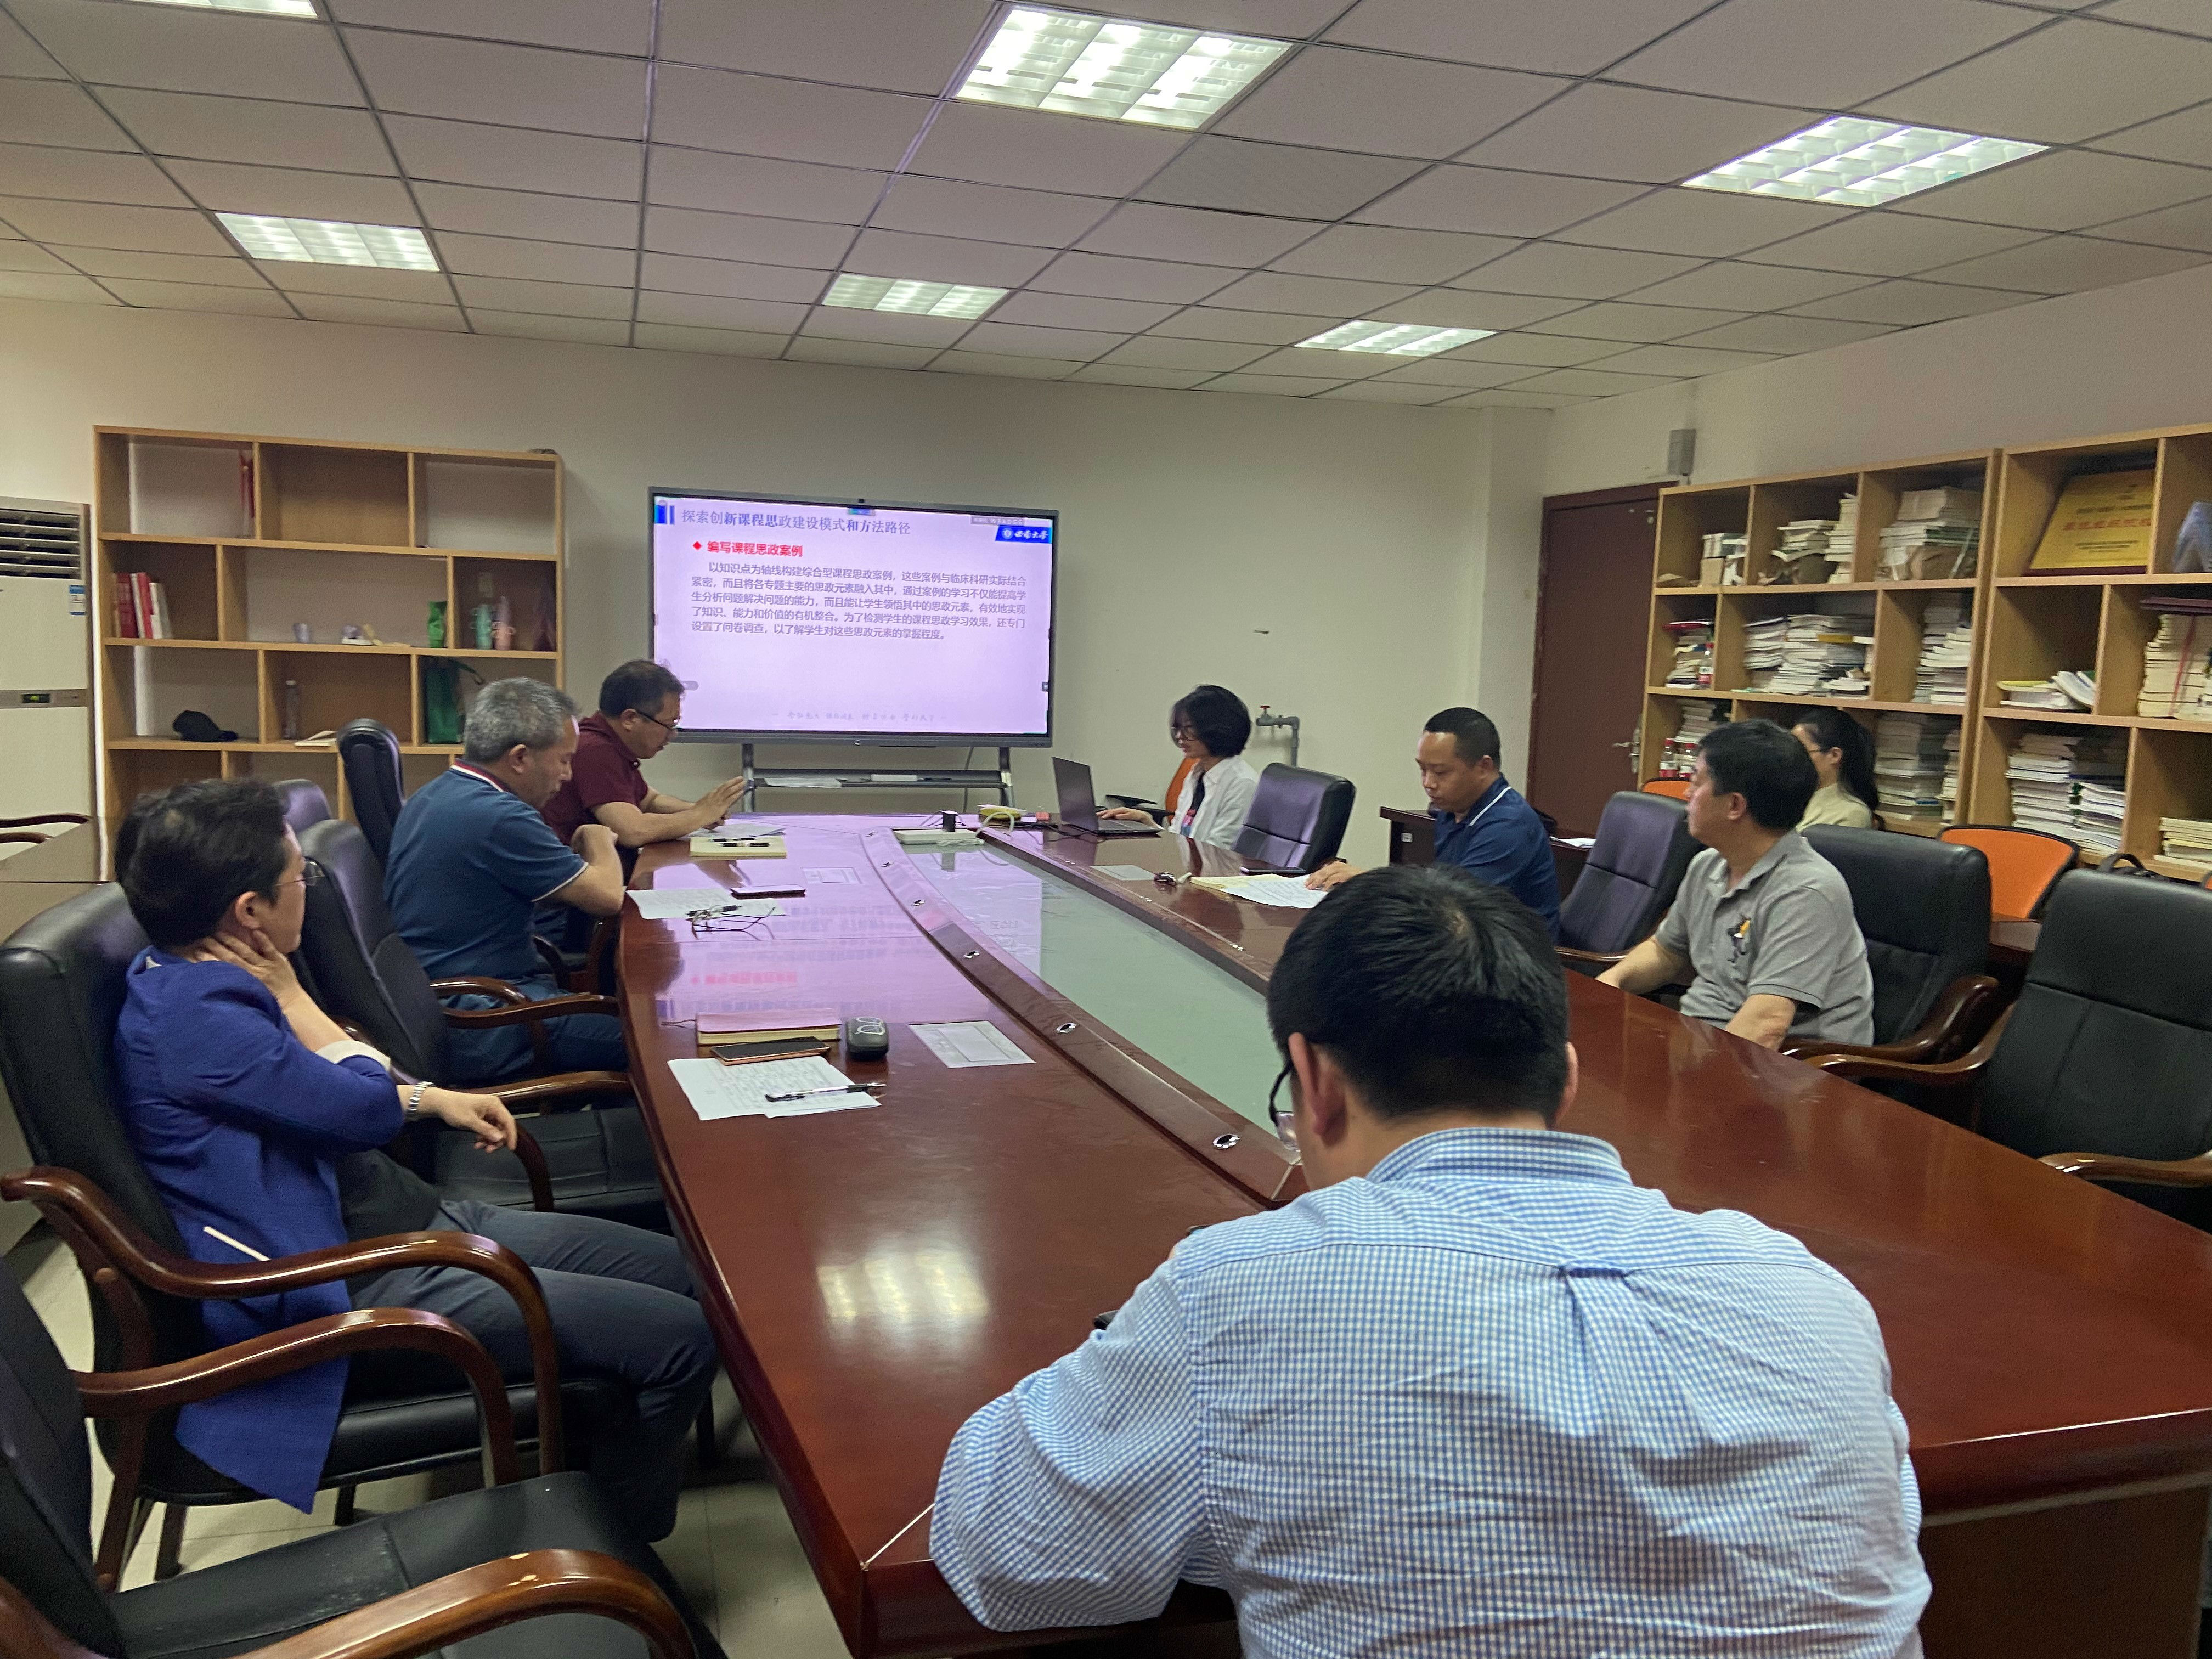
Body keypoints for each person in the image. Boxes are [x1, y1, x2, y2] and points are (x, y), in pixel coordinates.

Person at [933, 865, 1931, 1654]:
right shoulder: (1809, 1290)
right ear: (1564, 1079)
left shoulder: (1238, 1290)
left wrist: (1153, 1379)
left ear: (1314, 1082)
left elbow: (1006, 1556)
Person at [111, 778, 714, 1542]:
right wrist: (299, 1003)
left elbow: (334, 1088)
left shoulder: (189, 978)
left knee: (686, 1276)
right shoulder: (203, 1019)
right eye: (299, 878)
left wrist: (427, 1098)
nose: (308, 890)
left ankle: (592, 1477)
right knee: (682, 1339)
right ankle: (618, 1552)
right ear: (250, 912)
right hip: (353, 1275)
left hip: (403, 1217)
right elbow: (362, 1106)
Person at [386, 678, 628, 1081]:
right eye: (564, 760)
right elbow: (608, 897)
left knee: (629, 1015)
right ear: (520, 758)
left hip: (447, 1002)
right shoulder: (499, 816)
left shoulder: (436, 793)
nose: (568, 775)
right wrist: (597, 835)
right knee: (652, 1037)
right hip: (485, 1018)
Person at [1601, 718, 1874, 1049]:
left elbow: (1767, 1024)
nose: (1687, 794)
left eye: (1696, 783)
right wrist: (1611, 982)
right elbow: (1666, 951)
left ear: (1734, 805)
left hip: (1789, 1065)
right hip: (1702, 1040)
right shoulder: (1708, 865)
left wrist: (1694, 1073)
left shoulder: (1806, 892)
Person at [1305, 705, 1560, 938]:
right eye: (1422, 770)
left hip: (1513, 956)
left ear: (1484, 767)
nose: (1428, 783)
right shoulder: (1451, 808)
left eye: (1440, 772)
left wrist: (1370, 881)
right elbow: (1438, 889)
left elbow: (1454, 904)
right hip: (1465, 939)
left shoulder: (1508, 825)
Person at [543, 659, 745, 848]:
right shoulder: (595, 750)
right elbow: (632, 831)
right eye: (669, 725)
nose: (672, 735)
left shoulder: (611, 744)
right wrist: (699, 815)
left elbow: (649, 801)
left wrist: (699, 809)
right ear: (630, 719)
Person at [1097, 684, 1260, 850]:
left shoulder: (1242, 784)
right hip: (1189, 864)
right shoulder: (1197, 775)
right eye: (1178, 729)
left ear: (1218, 730)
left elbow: (1218, 852)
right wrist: (1148, 822)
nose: (1180, 737)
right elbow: (1180, 839)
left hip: (1212, 866)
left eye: (1189, 729)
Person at [1793, 706, 1880, 828]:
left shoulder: (1851, 813)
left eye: (1800, 751)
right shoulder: (1792, 796)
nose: (1792, 757)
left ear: (1834, 755)